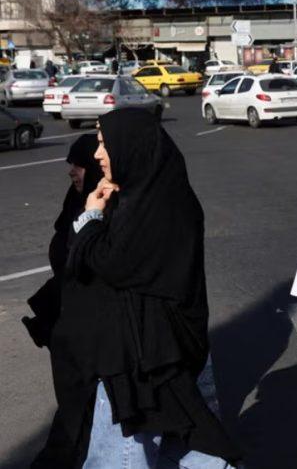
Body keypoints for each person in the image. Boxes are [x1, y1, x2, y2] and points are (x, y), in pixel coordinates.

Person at [35, 109, 239, 468]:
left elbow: (110, 265)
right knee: (185, 443)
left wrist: (91, 218)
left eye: (103, 143)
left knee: (128, 452)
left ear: (129, 146)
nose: (98, 154)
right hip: (142, 357)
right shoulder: (139, 198)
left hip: (141, 364)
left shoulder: (158, 206)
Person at [23, 134, 104, 352]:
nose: (72, 171)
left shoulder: (104, 208)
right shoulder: (75, 199)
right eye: (72, 165)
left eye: (79, 165)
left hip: (94, 327)